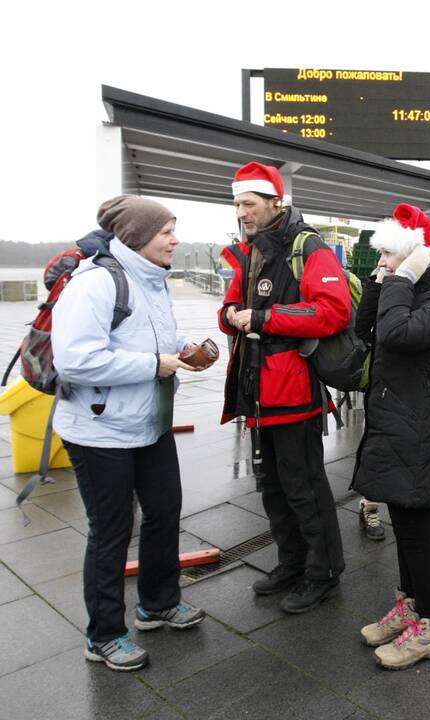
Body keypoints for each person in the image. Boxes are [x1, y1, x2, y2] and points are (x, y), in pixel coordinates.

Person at [54, 196, 207, 671]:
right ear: (138, 237)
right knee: (111, 531)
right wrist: (153, 364)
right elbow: (75, 361)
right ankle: (103, 635)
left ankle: (158, 604)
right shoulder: (95, 284)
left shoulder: (153, 282)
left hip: (149, 423)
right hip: (99, 431)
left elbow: (151, 340)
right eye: (167, 232)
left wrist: (184, 350)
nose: (175, 240)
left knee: (164, 512)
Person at [219, 162, 350, 613]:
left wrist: (263, 318)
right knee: (272, 486)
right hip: (257, 390)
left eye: (248, 204)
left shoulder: (308, 247)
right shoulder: (249, 250)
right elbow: (231, 305)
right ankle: (291, 563)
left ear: (276, 202)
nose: (242, 212)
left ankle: (323, 573)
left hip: (294, 391)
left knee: (304, 486)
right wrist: (232, 312)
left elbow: (333, 312)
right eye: (237, 204)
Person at [351, 203, 430, 670]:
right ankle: (409, 608)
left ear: (415, 257)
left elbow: (396, 335)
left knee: (418, 533)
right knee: (404, 528)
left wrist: (401, 280)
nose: (382, 264)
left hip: (417, 426)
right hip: (393, 419)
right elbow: (366, 330)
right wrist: (384, 281)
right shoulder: (406, 284)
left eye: (388, 256)